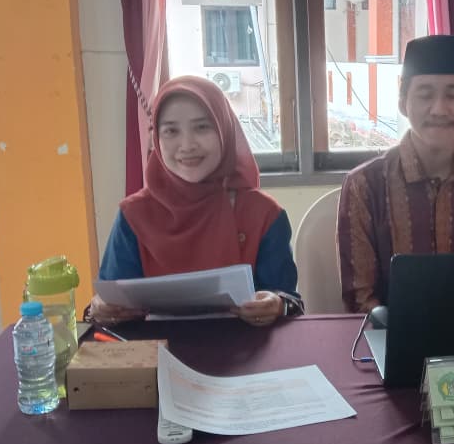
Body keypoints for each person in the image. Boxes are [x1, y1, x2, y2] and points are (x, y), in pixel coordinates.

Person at [88, 76, 302, 327]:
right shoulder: (134, 216)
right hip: (153, 348)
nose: (187, 145)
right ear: (156, 138)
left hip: (246, 349)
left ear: (224, 130)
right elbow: (108, 305)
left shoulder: (263, 215)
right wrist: (101, 309)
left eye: (202, 127)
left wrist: (277, 304)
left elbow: (291, 304)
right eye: (171, 131)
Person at [337, 35, 454, 314]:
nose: (439, 109)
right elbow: (361, 301)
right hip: (394, 336)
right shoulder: (364, 185)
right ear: (403, 102)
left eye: (453, 95)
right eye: (425, 95)